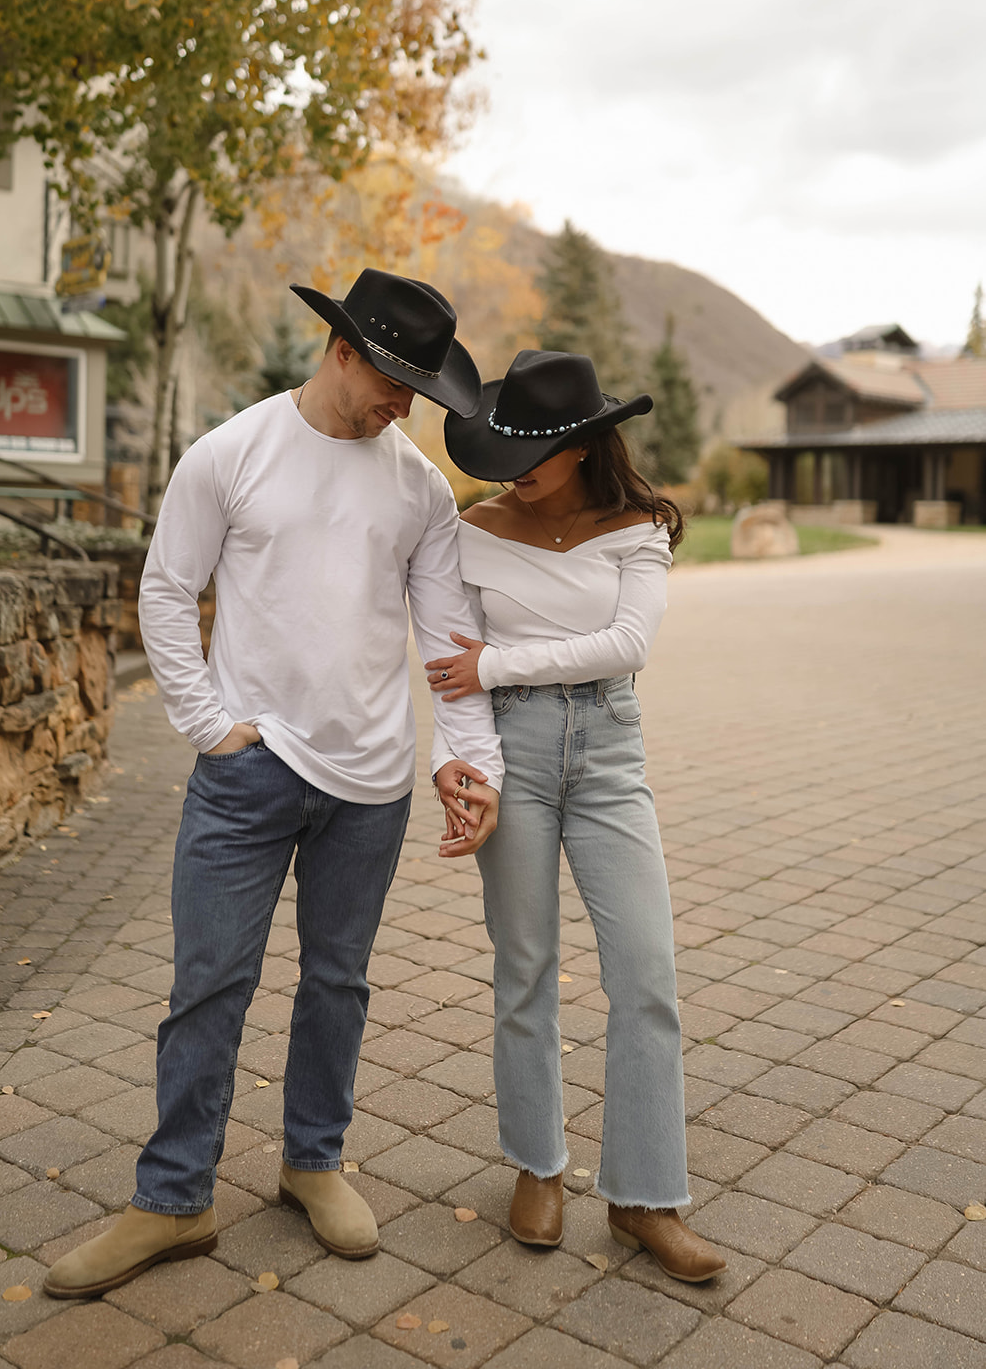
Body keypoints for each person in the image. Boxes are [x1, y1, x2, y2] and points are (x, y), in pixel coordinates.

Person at [44, 269, 503, 1299]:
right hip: (246, 775)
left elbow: (446, 642)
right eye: (394, 380)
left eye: (418, 390)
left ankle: (312, 1160)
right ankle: (173, 1200)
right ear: (341, 350)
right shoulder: (231, 454)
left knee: (337, 984)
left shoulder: (418, 489)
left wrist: (461, 759)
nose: (405, 405)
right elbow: (165, 592)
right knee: (207, 981)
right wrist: (210, 729)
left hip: (371, 782)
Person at [426, 348, 725, 1283]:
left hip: (607, 748)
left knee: (645, 970)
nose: (519, 464)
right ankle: (537, 1167)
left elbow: (628, 643)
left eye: (540, 447)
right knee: (523, 965)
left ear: (586, 441)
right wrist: (460, 764)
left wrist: (499, 662)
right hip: (506, 751)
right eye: (509, 445)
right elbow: (449, 675)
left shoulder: (636, 528)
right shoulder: (471, 528)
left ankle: (643, 1195)